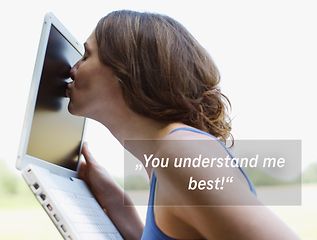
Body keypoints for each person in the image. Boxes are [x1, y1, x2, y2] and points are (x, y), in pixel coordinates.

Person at [66, 10, 299, 240]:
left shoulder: (180, 150)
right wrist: (116, 204)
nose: (72, 68)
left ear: (126, 69)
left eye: (86, 56)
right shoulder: (167, 157)